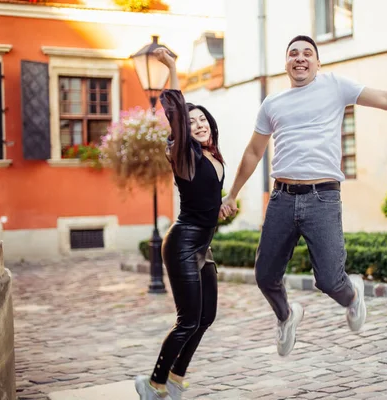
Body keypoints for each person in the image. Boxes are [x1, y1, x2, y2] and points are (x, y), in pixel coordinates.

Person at [220, 35, 387, 357]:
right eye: (293, 53)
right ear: (286, 63)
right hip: (282, 198)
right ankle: (286, 315)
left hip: (322, 198)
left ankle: (352, 297)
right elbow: (254, 152)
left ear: (318, 62)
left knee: (329, 279)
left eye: (308, 53)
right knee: (265, 275)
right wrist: (233, 194)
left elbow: (386, 98)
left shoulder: (335, 86)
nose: (300, 58)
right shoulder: (273, 104)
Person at [134, 47, 226, 400]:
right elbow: (175, 113)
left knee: (206, 317)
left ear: (211, 125)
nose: (199, 124)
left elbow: (203, 199)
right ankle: (153, 383)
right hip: (184, 243)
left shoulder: (212, 158)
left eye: (203, 119)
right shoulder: (183, 153)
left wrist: (220, 208)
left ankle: (175, 377)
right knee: (188, 319)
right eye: (194, 121)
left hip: (203, 245)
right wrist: (172, 69)